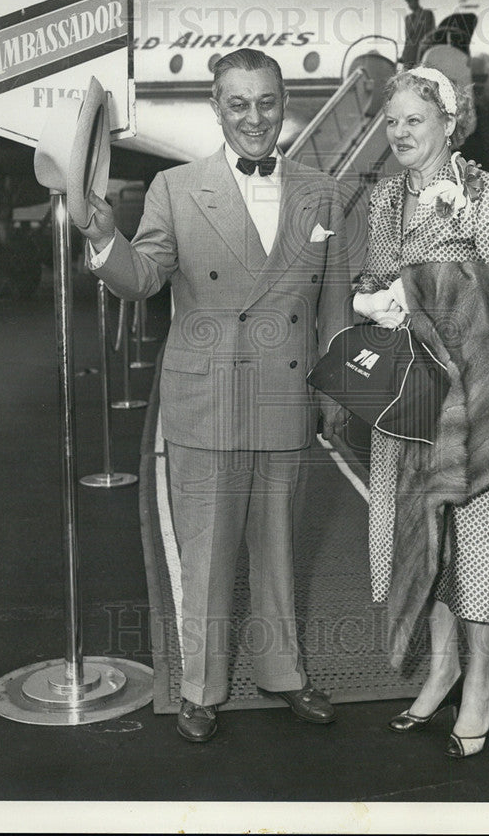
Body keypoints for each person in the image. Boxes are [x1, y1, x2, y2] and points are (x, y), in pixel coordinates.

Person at [77, 48, 352, 743]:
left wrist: (337, 392)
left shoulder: (321, 191)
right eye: (238, 103)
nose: (254, 118)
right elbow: (142, 280)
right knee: (205, 555)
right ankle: (199, 687)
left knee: (279, 549)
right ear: (217, 108)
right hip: (207, 397)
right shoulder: (175, 188)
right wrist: (106, 239)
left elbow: (334, 306)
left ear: (283, 103)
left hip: (287, 393)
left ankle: (283, 673)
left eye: (266, 102)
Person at [353, 66, 489, 758]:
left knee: (475, 541)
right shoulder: (382, 201)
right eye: (391, 121)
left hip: (471, 394)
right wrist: (375, 298)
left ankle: (480, 682)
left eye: (413, 121)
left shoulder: (488, 197)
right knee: (414, 532)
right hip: (405, 396)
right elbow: (372, 277)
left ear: (447, 124)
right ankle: (441, 666)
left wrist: (426, 290)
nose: (399, 133)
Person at [401, 0, 436, 69]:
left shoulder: (427, 14)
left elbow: (432, 33)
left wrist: (427, 46)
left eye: (412, 0)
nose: (410, 4)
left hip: (422, 52)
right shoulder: (408, 18)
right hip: (409, 54)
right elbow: (407, 38)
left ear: (417, 0)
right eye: (408, 2)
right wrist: (403, 55)